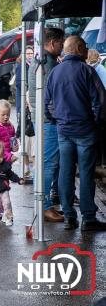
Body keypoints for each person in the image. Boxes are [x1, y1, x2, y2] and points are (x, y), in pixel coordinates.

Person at [45, 35, 106, 231]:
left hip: (64, 131)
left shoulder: (55, 72)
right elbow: (101, 102)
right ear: (79, 48)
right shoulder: (87, 71)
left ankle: (69, 216)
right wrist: (95, 122)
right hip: (85, 130)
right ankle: (88, 218)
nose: (88, 50)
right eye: (86, 47)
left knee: (66, 172)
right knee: (86, 174)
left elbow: (48, 104)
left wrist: (58, 120)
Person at [28, 27, 65, 223]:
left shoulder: (38, 60)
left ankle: (45, 203)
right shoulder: (47, 64)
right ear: (52, 43)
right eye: (60, 43)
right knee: (48, 163)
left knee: (45, 161)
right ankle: (44, 206)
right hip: (47, 120)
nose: (62, 46)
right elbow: (52, 97)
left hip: (41, 118)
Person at [15, 46, 34, 114]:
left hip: (29, 95)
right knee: (23, 116)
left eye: (31, 53)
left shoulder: (33, 65)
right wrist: (27, 91)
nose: (30, 55)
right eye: (28, 53)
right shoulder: (21, 66)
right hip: (23, 95)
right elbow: (19, 83)